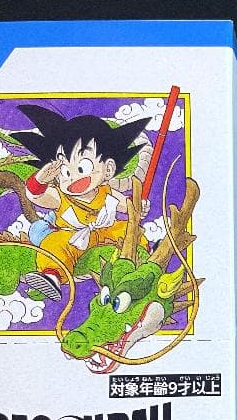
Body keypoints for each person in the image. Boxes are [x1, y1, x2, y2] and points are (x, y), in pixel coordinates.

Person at [10, 105, 152, 300]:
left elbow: (127, 206)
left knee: (129, 229)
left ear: (108, 170)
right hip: (71, 237)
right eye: (65, 172)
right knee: (54, 243)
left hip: (105, 232)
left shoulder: (107, 192)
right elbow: (35, 196)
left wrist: (138, 208)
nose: (73, 177)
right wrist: (40, 180)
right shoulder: (60, 196)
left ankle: (145, 257)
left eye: (82, 168)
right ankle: (52, 276)